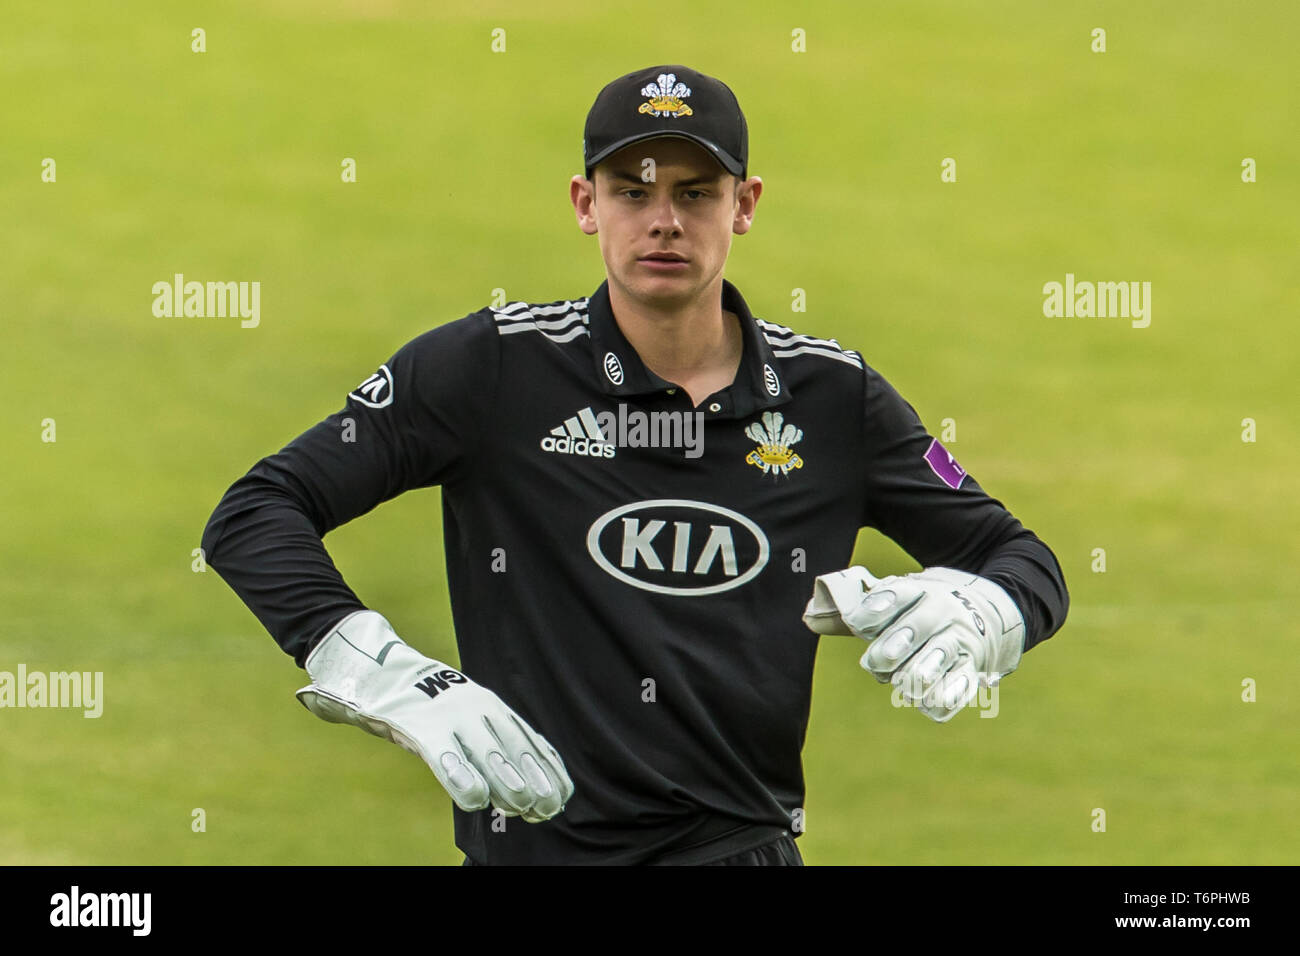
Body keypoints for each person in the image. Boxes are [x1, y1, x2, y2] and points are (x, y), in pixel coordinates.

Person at [200, 64, 1069, 866]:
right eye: (631, 191)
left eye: (696, 193)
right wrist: (386, 675)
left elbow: (1022, 558)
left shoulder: (833, 399)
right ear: (585, 203)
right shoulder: (493, 369)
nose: (664, 220)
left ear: (746, 203)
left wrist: (990, 608)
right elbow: (257, 511)